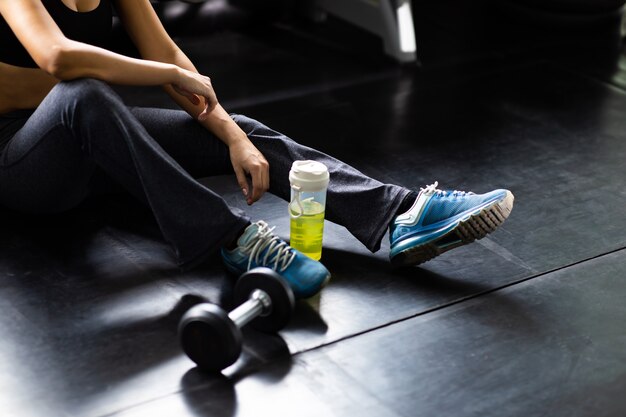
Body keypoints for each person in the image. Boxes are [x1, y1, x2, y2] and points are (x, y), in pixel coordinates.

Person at [0, 0, 514, 299]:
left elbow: (167, 54)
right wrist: (171, 74)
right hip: (22, 162)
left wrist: (231, 134)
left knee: (239, 128)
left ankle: (400, 214)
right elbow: (59, 59)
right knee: (85, 94)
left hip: (96, 142)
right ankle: (231, 240)